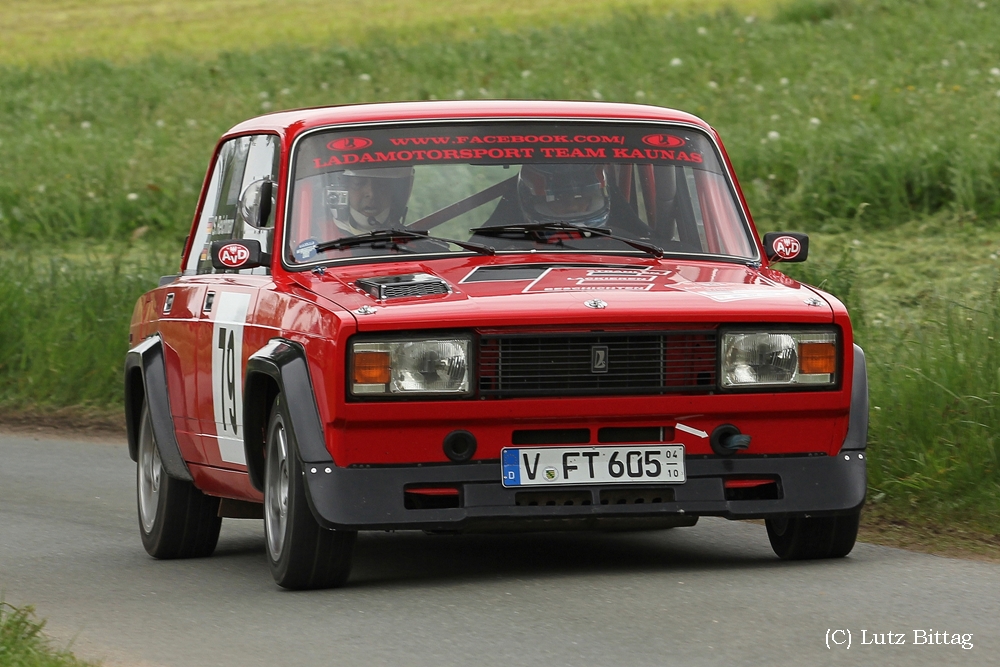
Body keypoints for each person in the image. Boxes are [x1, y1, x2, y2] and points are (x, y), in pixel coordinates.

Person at [325, 166, 414, 235]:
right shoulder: (322, 238)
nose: (371, 194)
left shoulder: (414, 244)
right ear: (345, 189)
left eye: (381, 184)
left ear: (395, 192)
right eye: (359, 184)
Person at [516, 164, 611, 227]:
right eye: (558, 199)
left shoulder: (622, 244)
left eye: (580, 198)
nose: (572, 207)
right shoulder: (509, 250)